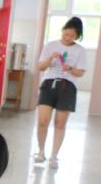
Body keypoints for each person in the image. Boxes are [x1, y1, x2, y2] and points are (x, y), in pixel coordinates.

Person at [35, 16, 87, 168]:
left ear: (77, 36)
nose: (68, 37)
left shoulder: (80, 51)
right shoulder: (50, 45)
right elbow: (41, 67)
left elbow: (80, 73)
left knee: (60, 123)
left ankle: (54, 156)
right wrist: (50, 58)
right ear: (62, 30)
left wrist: (70, 69)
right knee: (42, 120)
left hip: (68, 87)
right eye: (66, 34)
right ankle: (41, 151)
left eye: (72, 36)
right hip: (49, 84)